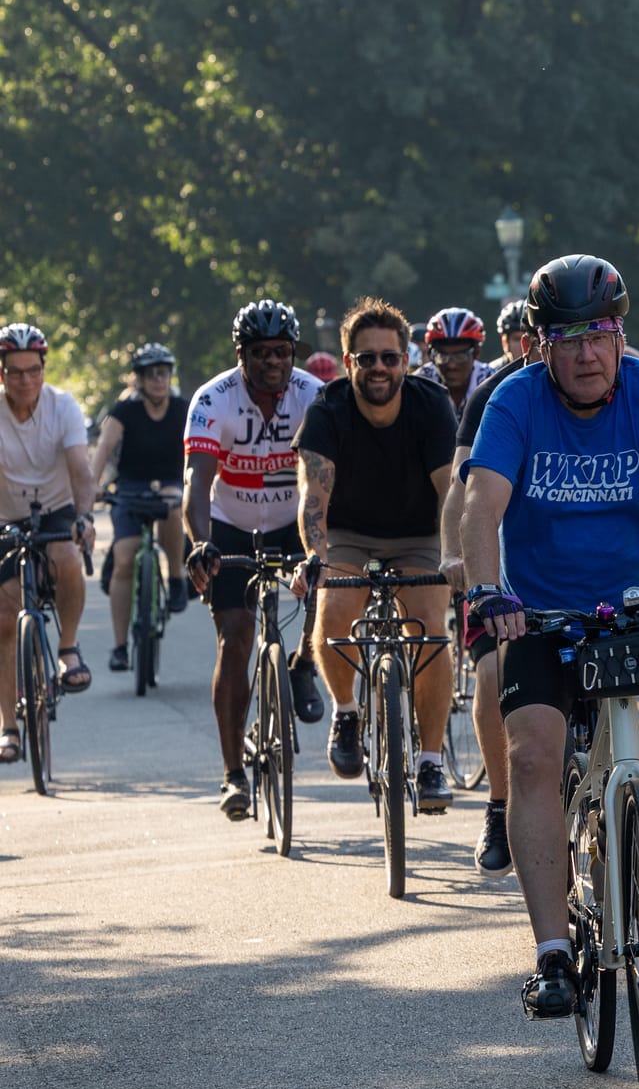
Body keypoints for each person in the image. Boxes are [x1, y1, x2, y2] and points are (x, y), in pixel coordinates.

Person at [460, 253, 639, 1019]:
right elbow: (481, 505)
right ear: (541, 345)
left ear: (621, 336)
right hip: (539, 611)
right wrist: (488, 590)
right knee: (533, 754)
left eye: (600, 335)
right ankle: (552, 953)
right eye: (568, 339)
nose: (587, 354)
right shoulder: (515, 400)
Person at [295, 298, 459, 811]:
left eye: (389, 358)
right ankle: (346, 712)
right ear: (349, 363)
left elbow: (450, 492)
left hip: (419, 535)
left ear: (406, 361)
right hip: (349, 533)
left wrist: (455, 556)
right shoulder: (327, 409)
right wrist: (315, 557)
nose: (379, 368)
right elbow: (313, 499)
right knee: (334, 612)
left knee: (430, 629)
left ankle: (430, 761)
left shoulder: (432, 405)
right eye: (367, 359)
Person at [184, 302, 324, 820]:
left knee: (324, 583)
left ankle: (304, 664)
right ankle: (232, 773)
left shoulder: (314, 395)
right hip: (230, 524)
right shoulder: (212, 399)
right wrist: (201, 543)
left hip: (294, 518)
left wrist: (321, 548)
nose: (274, 362)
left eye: (283, 352)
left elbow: (329, 477)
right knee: (236, 637)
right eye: (262, 353)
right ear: (241, 355)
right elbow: (197, 483)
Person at [439, 298, 536, 876]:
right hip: (498, 563)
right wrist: (455, 555)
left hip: (576, 569)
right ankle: (500, 806)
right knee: (496, 673)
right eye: (541, 337)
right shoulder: (491, 395)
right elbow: (461, 491)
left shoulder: (611, 384)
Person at [0, 323, 95, 765]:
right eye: (15, 372)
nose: (26, 380)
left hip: (55, 508)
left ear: (43, 368)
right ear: (2, 374)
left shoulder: (64, 407)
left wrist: (84, 517)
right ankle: (8, 727)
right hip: (5, 516)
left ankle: (67, 648)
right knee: (4, 620)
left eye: (33, 370)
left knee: (67, 558)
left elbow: (81, 470)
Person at [88, 343, 190, 673]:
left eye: (164, 373)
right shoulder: (124, 411)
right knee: (124, 559)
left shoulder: (183, 409)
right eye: (151, 374)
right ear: (140, 380)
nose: (159, 379)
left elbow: (201, 449)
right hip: (129, 489)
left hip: (170, 486)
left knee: (173, 509)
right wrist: (92, 485)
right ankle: (120, 647)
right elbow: (103, 449)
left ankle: (176, 578)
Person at [416, 308, 496, 416]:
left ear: (476, 353)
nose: (451, 365)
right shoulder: (421, 383)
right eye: (442, 356)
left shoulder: (491, 382)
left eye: (460, 356)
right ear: (432, 355)